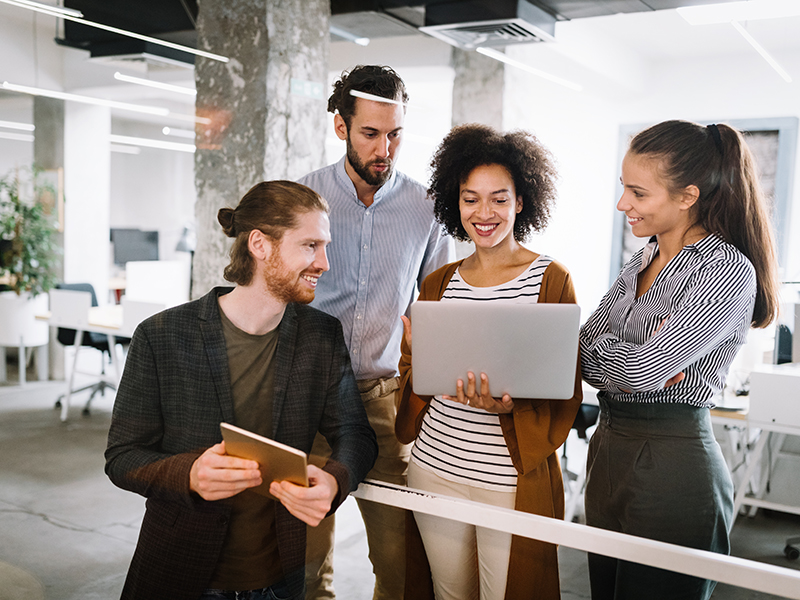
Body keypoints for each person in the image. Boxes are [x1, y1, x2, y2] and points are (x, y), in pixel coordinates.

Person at [105, 181, 378, 600]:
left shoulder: (321, 336)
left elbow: (356, 435)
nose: (324, 262)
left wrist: (334, 482)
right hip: (182, 574)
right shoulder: (161, 336)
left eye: (324, 246)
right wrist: (191, 474)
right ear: (260, 245)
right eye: (310, 245)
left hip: (280, 580)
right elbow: (123, 458)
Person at [579, 120, 780, 600]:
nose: (623, 204)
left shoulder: (725, 268)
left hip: (672, 460)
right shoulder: (640, 260)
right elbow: (586, 350)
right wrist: (637, 366)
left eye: (638, 193)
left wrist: (633, 365)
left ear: (687, 196)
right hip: (607, 452)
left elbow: (641, 369)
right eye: (623, 188)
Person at [396, 123, 582, 600]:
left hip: (505, 477)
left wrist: (509, 408)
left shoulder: (550, 279)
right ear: (455, 204)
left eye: (499, 198)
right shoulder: (438, 281)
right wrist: (415, 354)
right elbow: (413, 378)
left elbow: (564, 385)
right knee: (449, 593)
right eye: (470, 198)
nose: (484, 213)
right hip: (435, 465)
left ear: (521, 201)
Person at [298, 65, 454, 600]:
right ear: (341, 128)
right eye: (371, 133)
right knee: (304, 561)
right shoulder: (302, 199)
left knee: (401, 565)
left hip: (386, 404)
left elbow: (436, 305)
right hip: (308, 401)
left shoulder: (428, 207)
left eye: (395, 134)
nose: (384, 148)